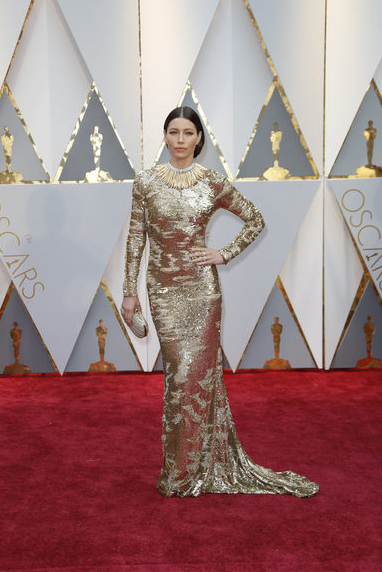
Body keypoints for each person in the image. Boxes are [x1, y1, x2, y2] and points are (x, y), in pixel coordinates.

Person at [121, 106, 318, 498]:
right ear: (165, 136)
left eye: (187, 132)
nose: (180, 139)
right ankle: (183, 469)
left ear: (198, 139)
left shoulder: (212, 182)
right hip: (163, 292)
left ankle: (188, 473)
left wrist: (223, 254)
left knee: (195, 379)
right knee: (178, 377)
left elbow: (255, 219)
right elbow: (135, 237)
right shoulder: (145, 182)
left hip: (202, 292)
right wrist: (129, 292)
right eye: (173, 131)